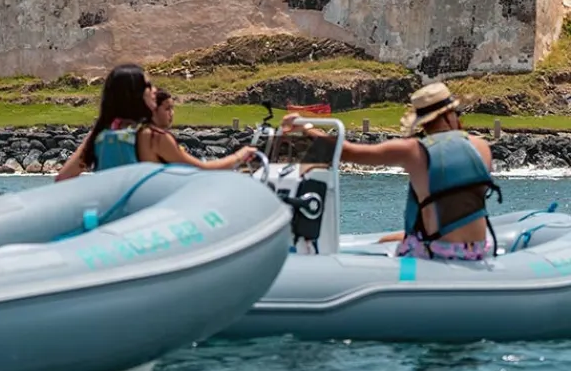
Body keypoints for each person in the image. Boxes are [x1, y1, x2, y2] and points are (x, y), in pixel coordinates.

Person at [282, 81, 498, 261]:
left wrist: (307, 127)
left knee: (390, 242)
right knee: (387, 239)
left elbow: (346, 151)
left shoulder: (412, 152)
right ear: (450, 116)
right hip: (477, 250)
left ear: (423, 123)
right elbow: (458, 203)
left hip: (436, 253)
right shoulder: (482, 147)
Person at [55, 65, 257, 181]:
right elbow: (200, 171)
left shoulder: (100, 134)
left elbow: (63, 178)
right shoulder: (154, 138)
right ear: (135, 95)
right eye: (148, 86)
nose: (154, 90)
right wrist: (239, 156)